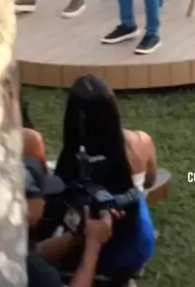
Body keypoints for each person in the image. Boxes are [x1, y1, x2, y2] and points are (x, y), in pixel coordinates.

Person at [54, 75, 155, 278]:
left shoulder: (70, 161)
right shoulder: (140, 141)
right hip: (136, 239)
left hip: (89, 250)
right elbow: (150, 181)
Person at [25, 155, 114, 287]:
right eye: (40, 195)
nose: (45, 201)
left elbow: (31, 255)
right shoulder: (41, 274)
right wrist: (93, 244)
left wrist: (78, 237)